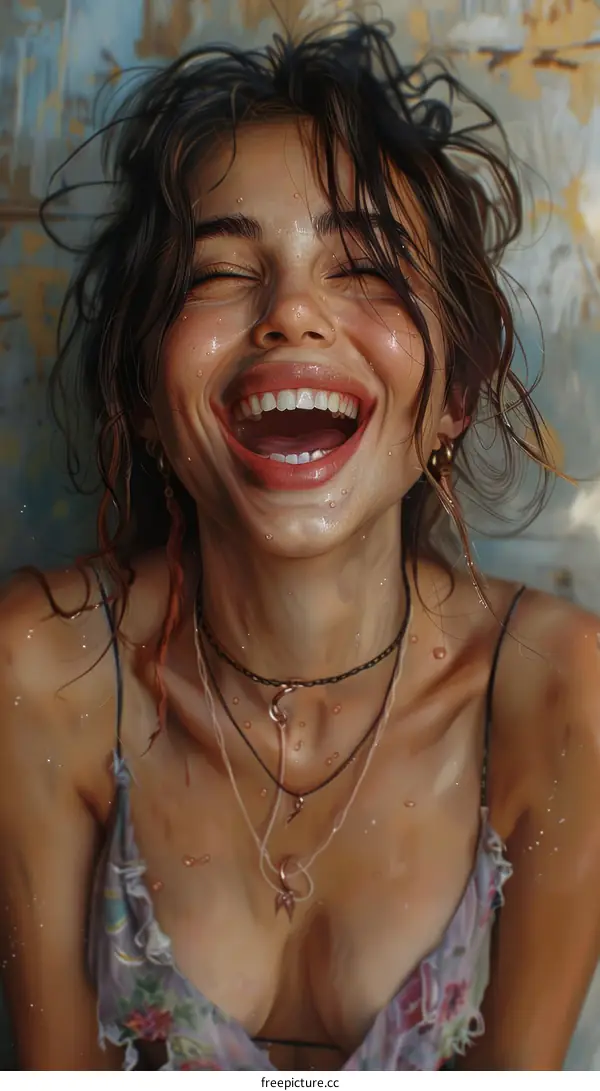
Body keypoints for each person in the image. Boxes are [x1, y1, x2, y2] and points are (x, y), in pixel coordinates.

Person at [0, 19, 599, 1073]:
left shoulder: (560, 698)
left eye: (364, 266)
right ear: (144, 395)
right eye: (219, 271)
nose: (292, 314)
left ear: (453, 393)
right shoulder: (46, 677)